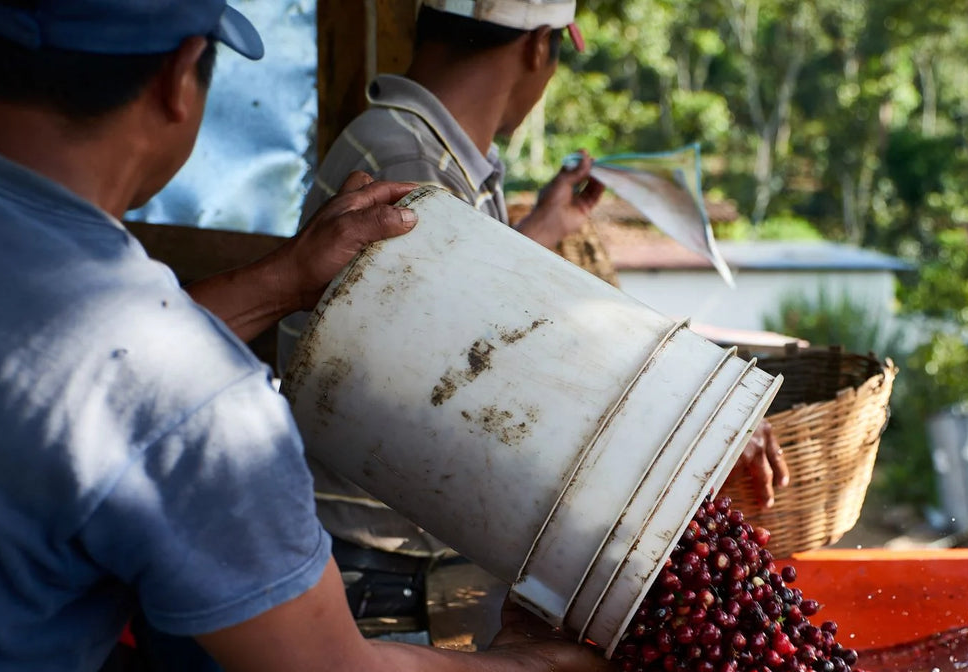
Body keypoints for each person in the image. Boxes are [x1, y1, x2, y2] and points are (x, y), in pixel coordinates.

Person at [0, 2, 619, 672]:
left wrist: (285, 279)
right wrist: (545, 665)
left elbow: (67, 374)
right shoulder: (187, 395)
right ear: (179, 78)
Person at [278, 0, 791, 639]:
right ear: (537, 46)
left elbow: (452, 321)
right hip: (377, 568)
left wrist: (543, 228)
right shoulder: (410, 168)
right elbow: (487, 369)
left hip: (382, 554)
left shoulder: (418, 147)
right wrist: (697, 424)